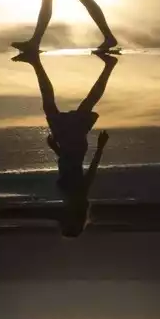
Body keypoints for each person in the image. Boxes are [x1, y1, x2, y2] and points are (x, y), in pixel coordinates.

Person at [16, 50, 117, 237]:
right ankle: (109, 65)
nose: (62, 221)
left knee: (56, 105)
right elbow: (90, 170)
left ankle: (35, 62)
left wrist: (55, 149)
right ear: (74, 220)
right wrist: (101, 146)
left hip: (66, 145)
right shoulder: (78, 196)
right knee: (78, 105)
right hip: (74, 144)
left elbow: (67, 165)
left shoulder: (69, 199)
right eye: (66, 224)